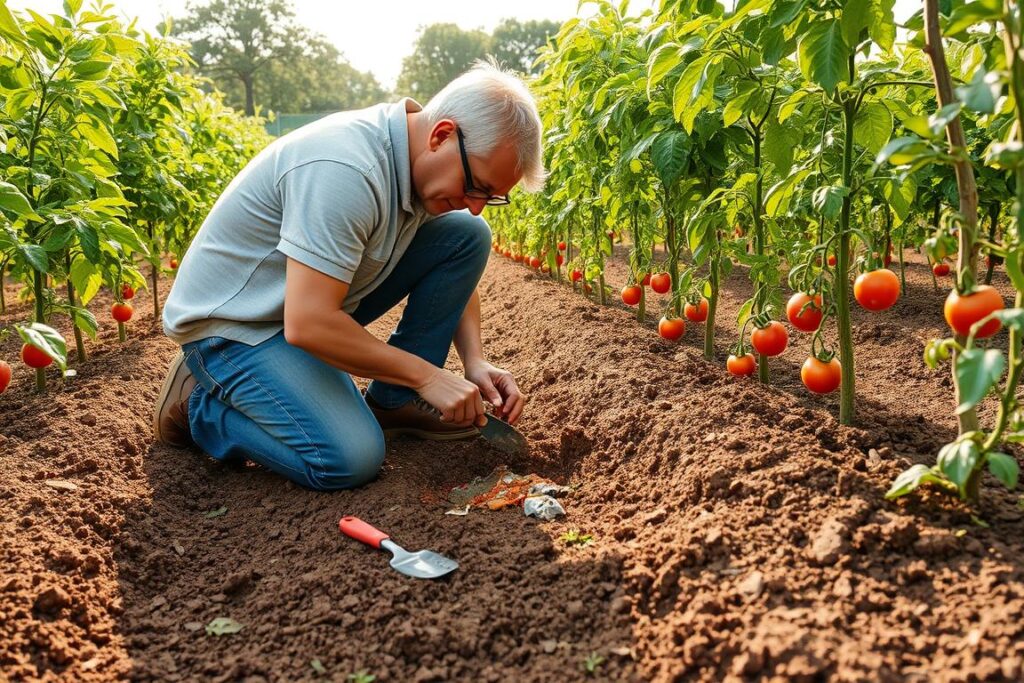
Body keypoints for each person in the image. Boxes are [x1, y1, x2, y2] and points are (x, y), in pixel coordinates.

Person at [152, 61, 545, 491]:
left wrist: (474, 361)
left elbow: (455, 260)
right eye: (477, 187)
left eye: (491, 197)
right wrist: (427, 375)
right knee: (348, 459)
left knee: (466, 235)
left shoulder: (414, 165)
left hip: (300, 306)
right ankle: (200, 408)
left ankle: (393, 404)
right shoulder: (347, 171)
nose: (475, 204)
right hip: (236, 327)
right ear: (441, 135)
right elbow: (309, 324)